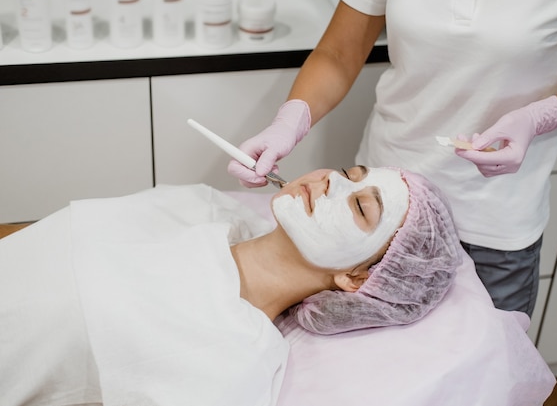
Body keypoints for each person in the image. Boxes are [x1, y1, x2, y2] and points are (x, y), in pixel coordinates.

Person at [227, 0, 557, 317]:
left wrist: (542, 115)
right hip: (382, 217)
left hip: (496, 219)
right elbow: (339, 53)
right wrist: (290, 119)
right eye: (344, 176)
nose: (328, 181)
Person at [0, 166, 462, 406]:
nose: (329, 183)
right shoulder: (202, 206)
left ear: (357, 277)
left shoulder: (232, 359)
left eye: (361, 208)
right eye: (348, 172)